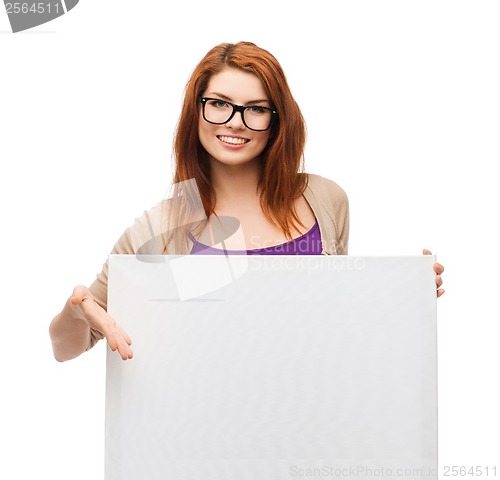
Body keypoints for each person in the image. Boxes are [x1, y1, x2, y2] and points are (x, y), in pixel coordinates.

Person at [49, 41, 444, 363]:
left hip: (311, 429)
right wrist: (75, 308)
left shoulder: (324, 199)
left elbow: (333, 323)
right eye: (219, 103)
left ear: (277, 121)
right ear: (196, 111)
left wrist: (400, 294)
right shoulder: (159, 229)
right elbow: (66, 349)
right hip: (204, 437)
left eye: (255, 109)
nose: (235, 121)